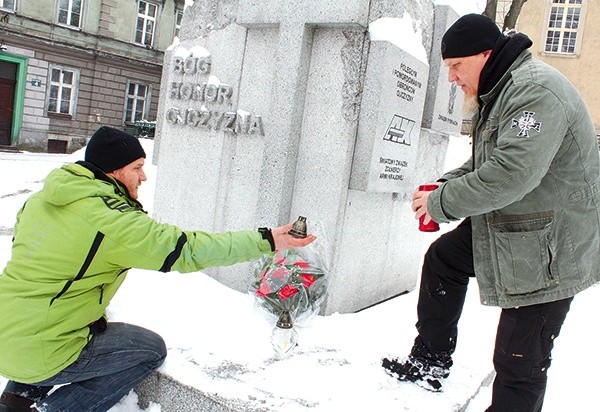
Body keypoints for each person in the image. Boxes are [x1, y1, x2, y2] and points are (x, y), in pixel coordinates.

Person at [0, 126, 316, 412]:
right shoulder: (114, 222)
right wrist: (268, 240)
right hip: (43, 349)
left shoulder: (41, 200)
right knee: (149, 349)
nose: (144, 176)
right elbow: (188, 249)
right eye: (137, 168)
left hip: (7, 330)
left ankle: (14, 399)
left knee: (63, 329)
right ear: (113, 172)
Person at [382, 13, 600, 411]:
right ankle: (431, 360)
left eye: (456, 66)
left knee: (518, 361)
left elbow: (510, 175)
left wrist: (442, 203)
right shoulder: (501, 89)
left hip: (550, 247)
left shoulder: (534, 92)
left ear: (485, 54)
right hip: (519, 226)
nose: (452, 78)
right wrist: (446, 185)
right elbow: (488, 161)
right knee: (444, 259)